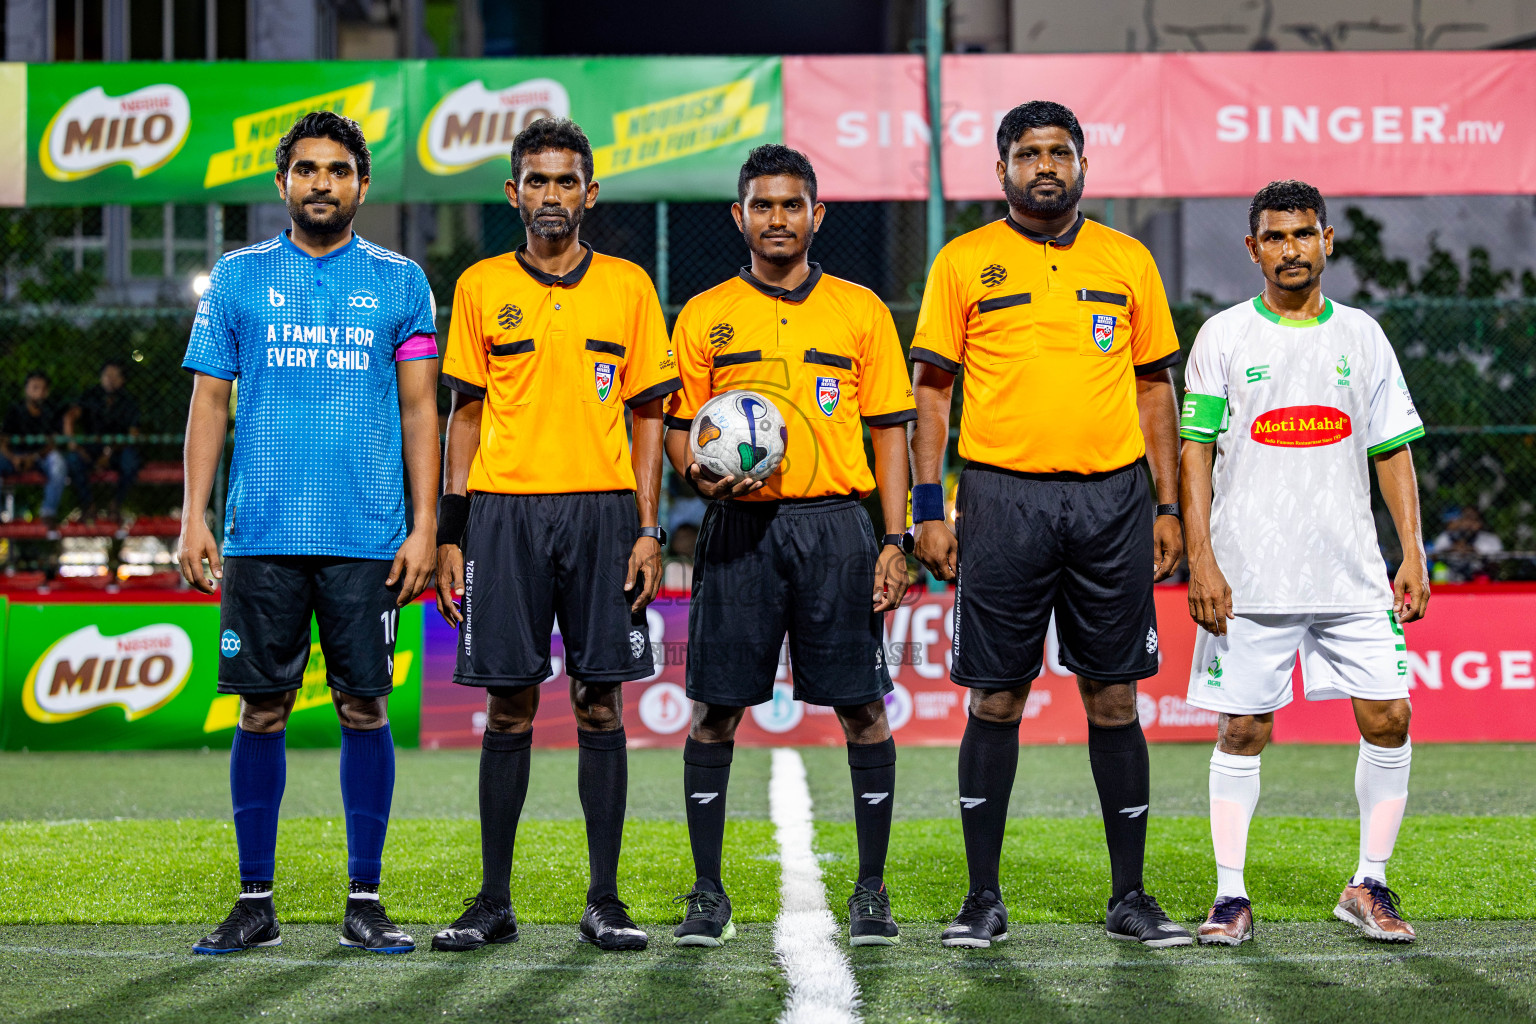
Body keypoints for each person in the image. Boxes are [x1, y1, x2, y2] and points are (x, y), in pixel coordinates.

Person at [909, 101, 1189, 948]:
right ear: (1001, 172)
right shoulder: (963, 262)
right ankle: (982, 899)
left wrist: (1168, 505)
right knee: (996, 696)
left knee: (1114, 695)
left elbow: (1153, 392)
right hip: (1000, 498)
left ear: (1082, 165)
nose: (1044, 164)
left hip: (1112, 502)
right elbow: (931, 392)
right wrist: (929, 508)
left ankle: (1131, 898)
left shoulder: (1127, 258)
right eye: (1027, 152)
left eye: (1059, 151)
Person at [177, 111, 441, 955]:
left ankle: (365, 902)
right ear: (282, 183)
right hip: (260, 535)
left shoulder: (401, 283)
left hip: (368, 538)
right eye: (306, 169)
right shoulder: (238, 278)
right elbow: (209, 401)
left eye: (337, 170)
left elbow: (419, 410)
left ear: (362, 184)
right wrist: (194, 515)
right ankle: (255, 903)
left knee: (366, 709)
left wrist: (426, 526)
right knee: (262, 711)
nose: (321, 182)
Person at [431, 117, 679, 954]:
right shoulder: (477, 288)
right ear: (513, 193)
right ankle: (493, 900)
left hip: (606, 515)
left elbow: (650, 418)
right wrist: (451, 532)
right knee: (509, 707)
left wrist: (649, 527)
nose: (550, 195)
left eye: (565, 181)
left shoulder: (631, 289)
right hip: (503, 513)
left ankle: (603, 899)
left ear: (590, 193)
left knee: (599, 701)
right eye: (535, 181)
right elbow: (463, 417)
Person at [664, 145, 915, 948]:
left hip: (837, 526)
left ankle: (871, 891)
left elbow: (889, 433)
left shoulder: (860, 310)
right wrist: (700, 477)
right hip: (738, 528)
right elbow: (678, 431)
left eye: (792, 205)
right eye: (762, 205)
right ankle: (708, 893)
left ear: (818, 214)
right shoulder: (704, 314)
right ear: (739, 217)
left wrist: (895, 536)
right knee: (714, 712)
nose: (778, 218)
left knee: (863, 709)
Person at [1180, 180, 1428, 946]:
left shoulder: (1362, 335)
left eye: (1303, 233)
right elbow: (1193, 456)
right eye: (1275, 237)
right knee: (1244, 729)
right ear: (1253, 249)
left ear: (1328, 240)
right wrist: (1202, 556)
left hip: (1351, 571)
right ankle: (1230, 898)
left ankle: (1369, 881)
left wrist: (1412, 549)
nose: (1291, 248)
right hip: (1251, 572)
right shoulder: (1223, 336)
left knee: (1390, 717)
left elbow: (1391, 450)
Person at [1, 371, 76, 529]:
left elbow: (53, 443)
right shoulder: (15, 411)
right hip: (15, 457)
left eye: (42, 389)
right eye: (34, 387)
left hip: (41, 457)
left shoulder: (51, 412)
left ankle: (48, 512)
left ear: (46, 392)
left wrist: (33, 457)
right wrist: (14, 458)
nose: (38, 392)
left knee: (58, 463)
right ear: (26, 389)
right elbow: (3, 442)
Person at [72, 360, 143, 520]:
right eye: (107, 375)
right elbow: (70, 416)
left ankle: (115, 505)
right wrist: (74, 445)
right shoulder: (90, 395)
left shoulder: (128, 401)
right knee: (73, 460)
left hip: (118, 450)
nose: (110, 379)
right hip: (92, 448)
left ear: (122, 379)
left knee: (131, 461)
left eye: (115, 376)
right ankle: (88, 505)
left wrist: (109, 453)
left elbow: (133, 434)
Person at [1429, 507, 1502, 582]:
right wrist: (1452, 549)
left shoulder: (1489, 539)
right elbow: (1434, 556)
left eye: (1473, 519)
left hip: (1477, 576)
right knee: (1439, 567)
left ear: (1480, 522)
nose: (1469, 523)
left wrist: (1473, 552)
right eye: (1465, 518)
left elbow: (1495, 565)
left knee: (1482, 574)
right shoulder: (1447, 536)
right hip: (1451, 577)